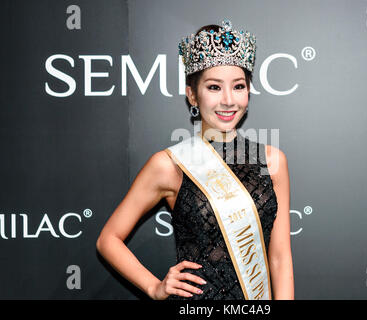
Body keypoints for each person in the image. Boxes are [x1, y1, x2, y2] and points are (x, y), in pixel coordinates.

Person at [96, 19, 294, 300]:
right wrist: (154, 287)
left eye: (238, 86)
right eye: (214, 87)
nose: (228, 100)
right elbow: (108, 240)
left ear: (248, 91)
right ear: (192, 94)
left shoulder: (273, 161)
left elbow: (279, 257)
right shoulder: (170, 165)